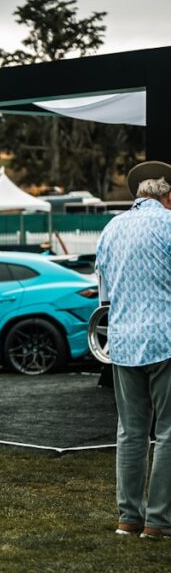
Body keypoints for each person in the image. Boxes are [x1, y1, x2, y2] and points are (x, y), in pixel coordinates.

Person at [96, 161, 171, 540]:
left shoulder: (111, 229)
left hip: (122, 341)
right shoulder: (170, 226)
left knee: (131, 432)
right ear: (168, 195)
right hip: (166, 339)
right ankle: (159, 522)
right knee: (170, 431)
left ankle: (129, 518)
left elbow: (105, 296)